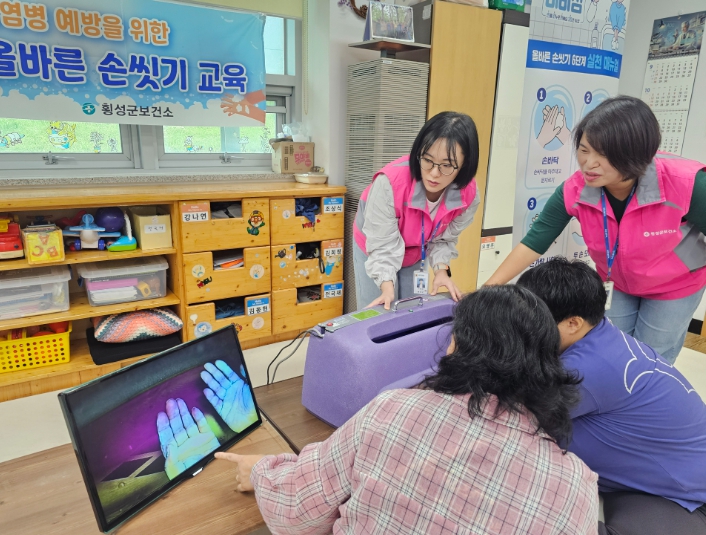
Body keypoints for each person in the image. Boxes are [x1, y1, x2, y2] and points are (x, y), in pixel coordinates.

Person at [215, 286, 599, 534]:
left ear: (457, 347)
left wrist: (262, 471)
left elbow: (298, 510)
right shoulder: (575, 487)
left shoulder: (391, 410)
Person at [485, 96, 706, 362]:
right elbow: (535, 240)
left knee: (651, 357)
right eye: (584, 149)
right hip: (618, 283)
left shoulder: (687, 184)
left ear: (636, 155)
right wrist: (488, 289)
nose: (589, 163)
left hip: (675, 285)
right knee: (611, 352)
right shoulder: (576, 189)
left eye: (604, 154)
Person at [516, 258, 706, 535]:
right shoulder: (599, 334)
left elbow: (502, 414)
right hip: (639, 479)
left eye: (532, 321)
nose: (522, 328)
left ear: (573, 323)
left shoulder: (585, 368)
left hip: (679, 497)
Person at [353, 111, 481, 310]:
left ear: (465, 165)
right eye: (428, 160)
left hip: (416, 249)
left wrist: (441, 271)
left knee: (410, 310)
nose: (434, 173)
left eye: (447, 165)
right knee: (380, 311)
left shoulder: (468, 195)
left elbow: (444, 239)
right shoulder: (389, 184)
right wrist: (386, 287)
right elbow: (382, 244)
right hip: (376, 244)